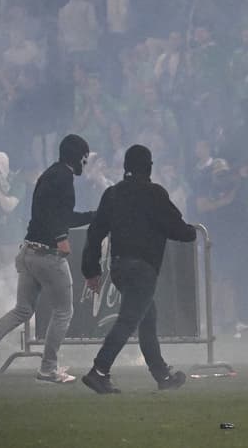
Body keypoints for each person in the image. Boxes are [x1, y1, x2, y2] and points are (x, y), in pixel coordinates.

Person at [0, 135, 94, 387]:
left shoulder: (51, 173)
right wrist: (61, 237)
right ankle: (48, 368)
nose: (86, 162)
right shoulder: (64, 177)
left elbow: (58, 214)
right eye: (85, 157)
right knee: (64, 311)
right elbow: (52, 214)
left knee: (22, 310)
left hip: (28, 252)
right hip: (47, 255)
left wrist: (94, 216)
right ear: (78, 156)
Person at [81, 145, 197, 394]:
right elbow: (176, 227)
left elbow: (95, 233)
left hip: (119, 268)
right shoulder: (154, 194)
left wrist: (91, 270)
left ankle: (163, 376)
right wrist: (191, 232)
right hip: (143, 269)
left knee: (146, 318)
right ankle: (98, 371)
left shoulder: (112, 194)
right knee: (128, 320)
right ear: (149, 167)